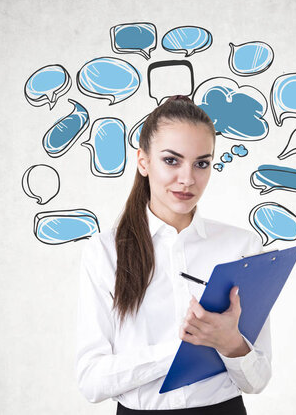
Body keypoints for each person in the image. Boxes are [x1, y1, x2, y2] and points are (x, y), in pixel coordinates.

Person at [76, 95, 272, 414]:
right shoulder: (104, 252)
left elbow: (258, 379)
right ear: (143, 161)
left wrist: (231, 344)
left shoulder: (242, 247)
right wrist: (183, 350)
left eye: (201, 163)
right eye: (171, 160)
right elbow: (91, 380)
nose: (187, 179)